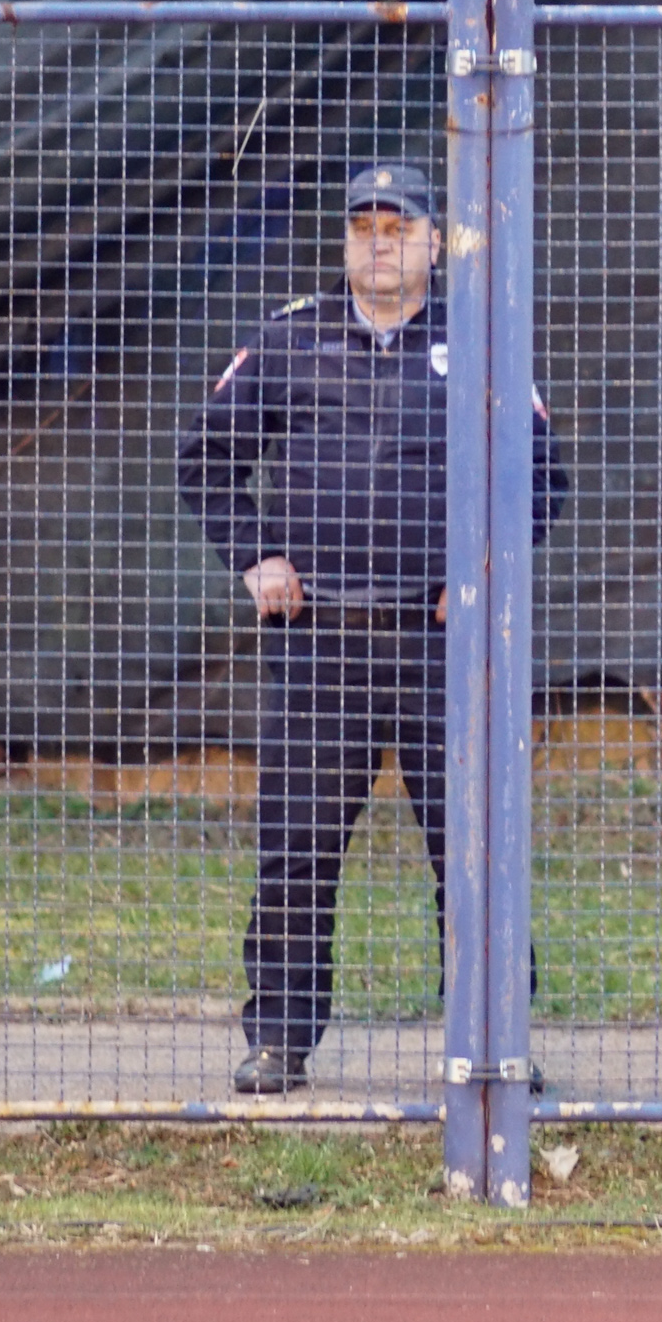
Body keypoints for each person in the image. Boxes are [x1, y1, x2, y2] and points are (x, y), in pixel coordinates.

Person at [177, 162, 569, 1097]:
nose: (380, 241)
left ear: (438, 240)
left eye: (400, 225)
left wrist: (478, 568)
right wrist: (255, 555)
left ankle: (491, 1042)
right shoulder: (289, 340)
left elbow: (542, 477)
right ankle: (278, 1037)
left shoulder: (479, 337)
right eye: (364, 225)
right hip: (321, 644)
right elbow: (204, 460)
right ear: (345, 241)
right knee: (297, 845)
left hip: (446, 648)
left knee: (473, 845)